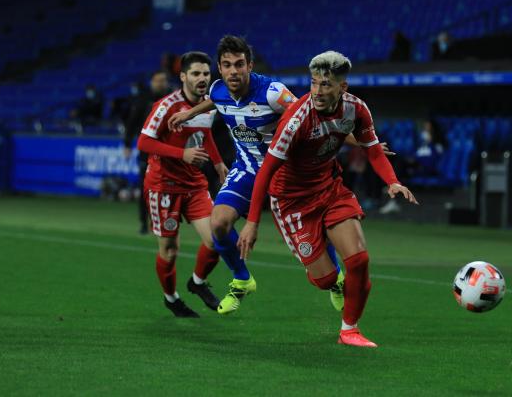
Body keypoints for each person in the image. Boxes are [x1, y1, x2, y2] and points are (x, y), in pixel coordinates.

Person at [237, 51, 418, 347]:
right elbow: (266, 172)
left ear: (342, 88)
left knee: (359, 260)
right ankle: (331, 276)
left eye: (326, 85)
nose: (318, 92)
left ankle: (349, 330)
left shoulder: (356, 110)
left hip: (329, 188)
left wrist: (393, 182)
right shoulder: (295, 120)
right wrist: (252, 223)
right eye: (314, 83)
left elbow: (372, 148)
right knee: (324, 280)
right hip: (291, 201)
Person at [167, 36, 350, 315]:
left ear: (249, 65)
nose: (233, 71)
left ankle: (335, 278)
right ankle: (242, 279)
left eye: (239, 64)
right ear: (220, 67)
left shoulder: (273, 93)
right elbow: (214, 102)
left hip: (286, 173)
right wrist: (188, 113)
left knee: (315, 234)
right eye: (227, 65)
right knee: (218, 223)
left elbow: (310, 114)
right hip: (248, 169)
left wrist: (353, 139)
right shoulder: (218, 90)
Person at [137, 52, 229, 317]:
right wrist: (182, 154)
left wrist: (218, 161)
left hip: (194, 185)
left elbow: (205, 133)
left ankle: (197, 282)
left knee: (217, 239)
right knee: (169, 249)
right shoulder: (167, 105)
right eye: (196, 73)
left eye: (206, 73)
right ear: (183, 77)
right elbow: (144, 143)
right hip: (163, 186)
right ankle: (171, 297)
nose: (202, 78)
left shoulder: (206, 105)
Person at [124, 70, 172, 234]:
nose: (161, 83)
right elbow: (131, 122)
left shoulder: (173, 98)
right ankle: (144, 223)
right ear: (152, 81)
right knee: (146, 188)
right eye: (158, 80)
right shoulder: (143, 99)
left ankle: (162, 221)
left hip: (168, 150)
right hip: (147, 150)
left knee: (166, 189)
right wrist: (127, 144)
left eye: (163, 80)